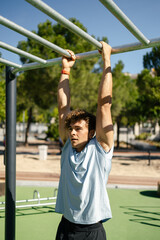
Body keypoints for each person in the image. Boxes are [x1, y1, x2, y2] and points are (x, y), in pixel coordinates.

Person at [55, 41, 114, 240]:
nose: (72, 133)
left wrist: (106, 60)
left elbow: (104, 105)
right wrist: (65, 70)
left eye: (78, 129)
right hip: (66, 228)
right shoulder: (67, 148)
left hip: (91, 232)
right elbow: (64, 107)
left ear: (91, 133)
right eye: (71, 129)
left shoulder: (100, 149)